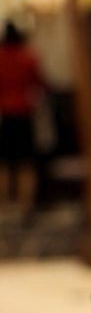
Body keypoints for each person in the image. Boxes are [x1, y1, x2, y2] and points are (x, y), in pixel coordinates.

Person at [0, 22, 44, 203]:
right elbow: (39, 82)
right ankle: (25, 203)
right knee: (26, 162)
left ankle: (4, 203)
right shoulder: (28, 57)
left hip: (5, 115)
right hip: (24, 113)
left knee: (4, 162)